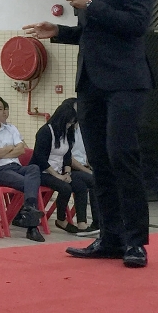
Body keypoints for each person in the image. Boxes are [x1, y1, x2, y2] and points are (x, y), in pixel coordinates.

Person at [25, 0, 155, 268]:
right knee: (99, 160)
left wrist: (91, 3)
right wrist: (60, 32)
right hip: (91, 82)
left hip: (126, 82)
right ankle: (110, 237)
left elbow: (137, 23)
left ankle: (135, 242)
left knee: (122, 156)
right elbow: (92, 32)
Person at [0, 96, 45, 242]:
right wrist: (9, 148)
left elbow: (21, 150)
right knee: (29, 183)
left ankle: (29, 208)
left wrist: (2, 151)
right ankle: (33, 227)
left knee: (33, 168)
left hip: (16, 166)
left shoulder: (11, 128)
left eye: (0, 109)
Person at [33, 99, 98, 235]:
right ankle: (61, 219)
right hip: (42, 171)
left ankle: (82, 223)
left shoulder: (67, 133)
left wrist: (67, 173)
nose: (70, 126)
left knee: (81, 184)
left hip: (60, 171)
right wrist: (57, 176)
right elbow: (40, 158)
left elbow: (67, 155)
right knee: (65, 188)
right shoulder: (45, 132)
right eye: (69, 122)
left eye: (73, 123)